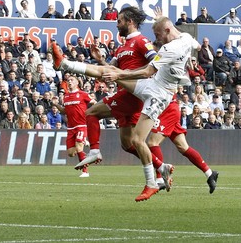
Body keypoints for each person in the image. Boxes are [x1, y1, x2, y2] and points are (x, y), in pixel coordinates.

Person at [53, 14, 200, 201]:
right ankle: (65, 64)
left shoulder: (166, 48)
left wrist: (121, 75)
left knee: (138, 141)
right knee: (109, 74)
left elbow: (147, 70)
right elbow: (196, 45)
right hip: (148, 85)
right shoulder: (185, 38)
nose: (156, 39)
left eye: (157, 34)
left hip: (157, 93)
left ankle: (152, 183)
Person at [54, 75, 96, 177]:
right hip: (71, 128)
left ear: (77, 83)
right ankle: (84, 141)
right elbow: (65, 111)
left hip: (81, 125)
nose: (69, 82)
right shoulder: (66, 96)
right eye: (68, 80)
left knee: (79, 147)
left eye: (72, 80)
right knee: (71, 153)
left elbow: (94, 103)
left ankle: (85, 171)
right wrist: (56, 105)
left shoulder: (83, 94)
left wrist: (92, 115)